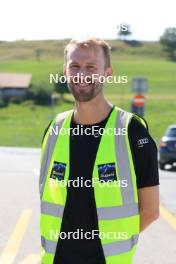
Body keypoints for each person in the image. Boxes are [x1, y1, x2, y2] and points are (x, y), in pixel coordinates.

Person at [39, 37, 159, 264]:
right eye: (74, 66)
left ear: (108, 73)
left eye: (91, 67)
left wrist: (107, 245)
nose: (82, 74)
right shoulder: (54, 129)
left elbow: (151, 211)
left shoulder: (132, 131)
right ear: (65, 71)